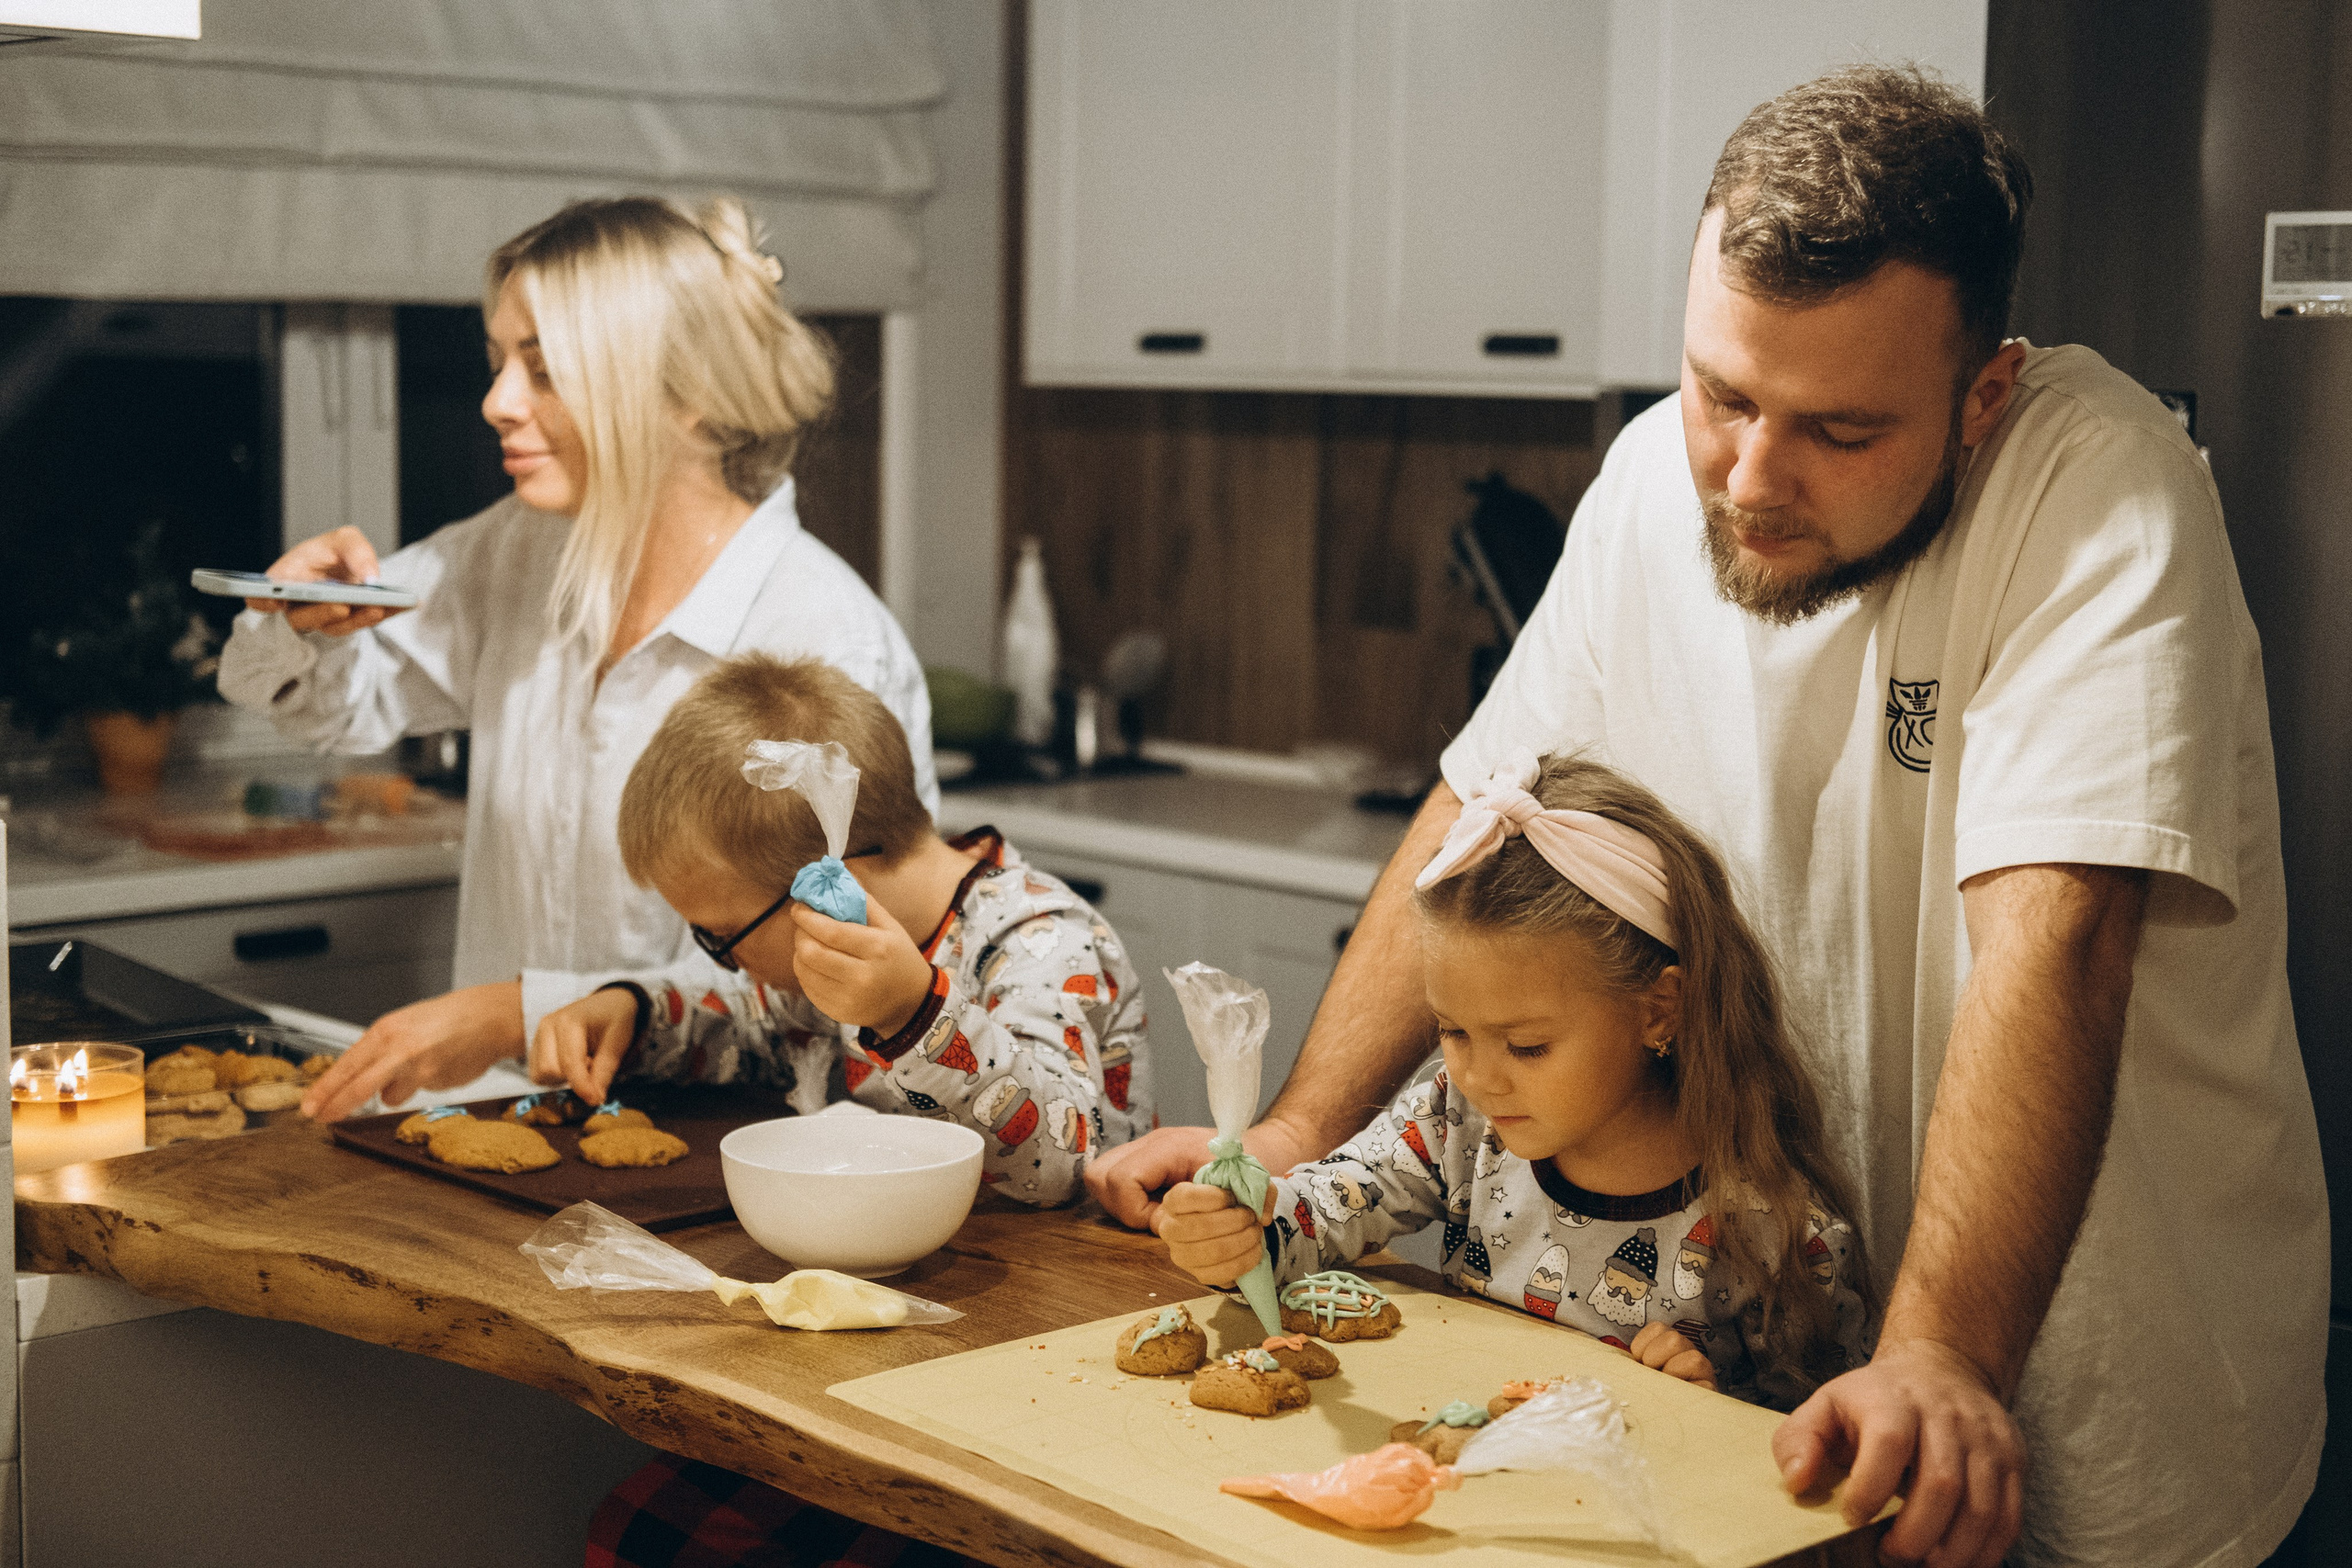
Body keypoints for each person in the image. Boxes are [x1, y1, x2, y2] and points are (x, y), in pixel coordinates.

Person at [1089, 66, 2329, 1568]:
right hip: (1778, 1397)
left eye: (1840, 429)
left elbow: (2054, 944)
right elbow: (1481, 811)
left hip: (2097, 1405)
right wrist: (1294, 1133)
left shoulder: (2101, 491)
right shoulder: (1643, 494)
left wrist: (1940, 1351)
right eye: (1721, 393)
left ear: (1982, 396)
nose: (1750, 478)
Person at [215, 196, 935, 1122]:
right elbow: (333, 706)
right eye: (499, 363)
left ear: (687, 396)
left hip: (717, 1161)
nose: (496, 403)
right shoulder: (512, 551)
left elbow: (832, 983)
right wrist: (297, 619)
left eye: (544, 371)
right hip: (502, 1123)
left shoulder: (825, 640)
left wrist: (521, 1011)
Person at [1160, 750, 1872, 1407]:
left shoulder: (1775, 1230)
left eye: (1527, 1045)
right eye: (1452, 1029)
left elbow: (1818, 1463)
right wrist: (1240, 1228)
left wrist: (1709, 1404)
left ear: (1659, 1009)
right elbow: (1313, 1218)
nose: (1475, 1076)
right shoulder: (1456, 1125)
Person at [529, 652, 1153, 1203]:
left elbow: (1067, 1161)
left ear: (828, 879)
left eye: (720, 936)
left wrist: (914, 1012)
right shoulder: (827, 952)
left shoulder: (1040, 937)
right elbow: (758, 1027)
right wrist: (636, 1015)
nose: (726, 960)